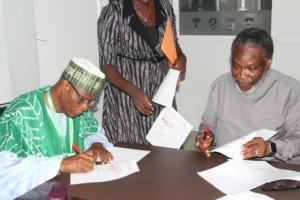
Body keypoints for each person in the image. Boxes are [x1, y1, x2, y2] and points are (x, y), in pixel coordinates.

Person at [0, 58, 113, 199]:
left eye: (90, 102)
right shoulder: (21, 112)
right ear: (65, 85)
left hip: (72, 191)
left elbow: (92, 132)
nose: (85, 107)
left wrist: (96, 144)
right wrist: (60, 164)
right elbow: (3, 170)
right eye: (83, 99)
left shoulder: (78, 110)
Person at [196, 28, 300, 163]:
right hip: (225, 165)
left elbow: (298, 138)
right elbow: (207, 125)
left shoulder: (288, 90)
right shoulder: (220, 86)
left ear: (267, 63)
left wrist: (270, 147)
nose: (242, 75)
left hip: (270, 167)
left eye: (251, 69)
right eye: (236, 66)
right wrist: (207, 136)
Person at [97, 0, 187, 144]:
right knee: (131, 152)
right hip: (126, 95)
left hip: (161, 90)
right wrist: (133, 91)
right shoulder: (114, 12)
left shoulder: (164, 7)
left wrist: (181, 57)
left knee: (165, 148)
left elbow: (173, 44)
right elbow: (107, 66)